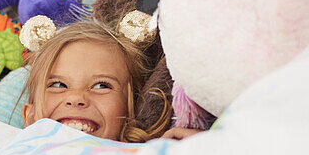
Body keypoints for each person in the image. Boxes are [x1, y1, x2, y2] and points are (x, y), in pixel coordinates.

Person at [20, 21, 200, 142]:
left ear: (131, 108)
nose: (76, 98)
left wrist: (204, 146)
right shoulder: (2, 149)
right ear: (30, 115)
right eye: (58, 85)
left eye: (101, 85)